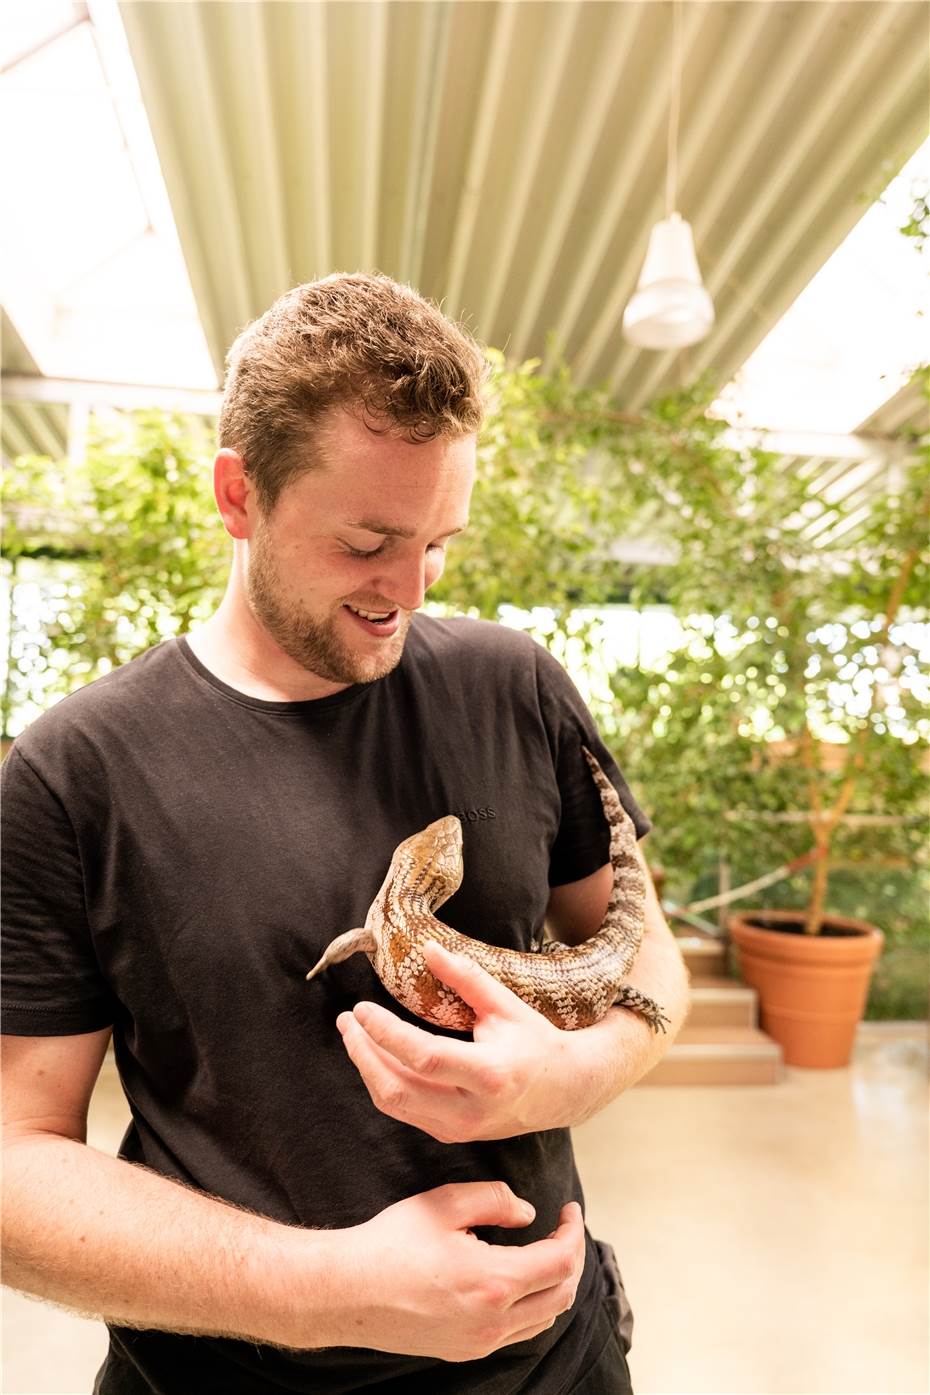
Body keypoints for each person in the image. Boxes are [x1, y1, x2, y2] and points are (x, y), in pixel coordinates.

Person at [1, 272, 690, 1395]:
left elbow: (639, 945)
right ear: (239, 494)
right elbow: (13, 1165)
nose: (408, 590)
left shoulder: (513, 686)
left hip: (555, 1364)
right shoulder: (76, 772)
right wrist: (327, 1290)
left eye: (439, 542)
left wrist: (576, 1073)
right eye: (369, 542)